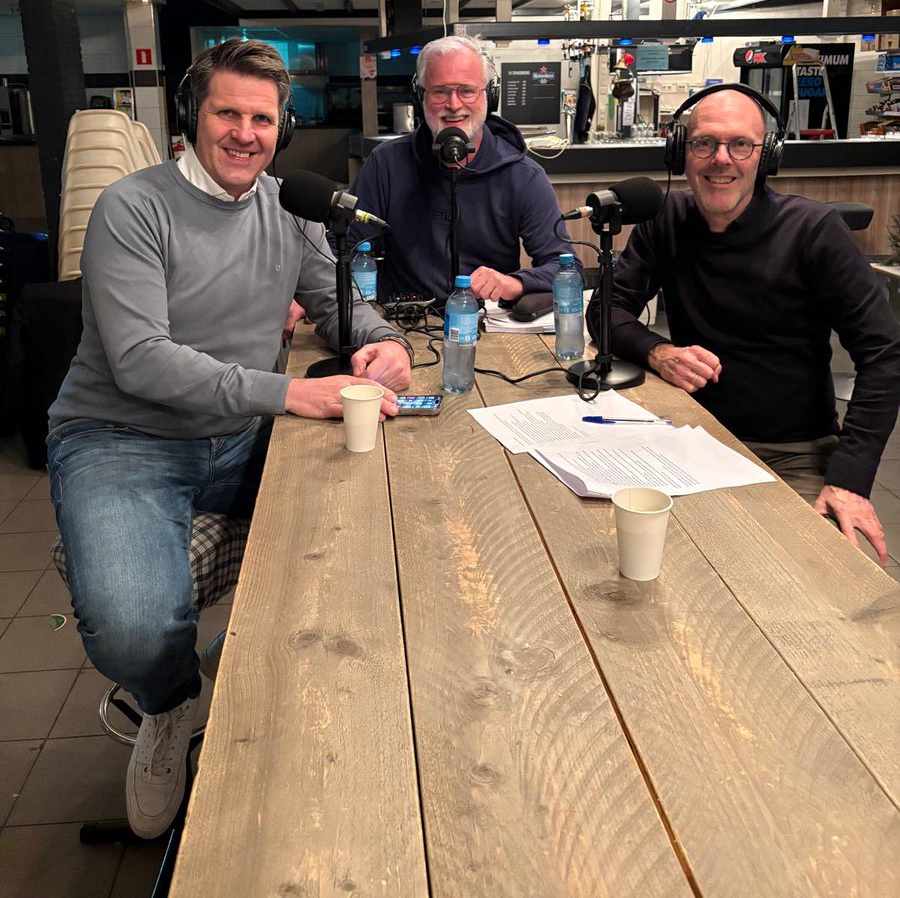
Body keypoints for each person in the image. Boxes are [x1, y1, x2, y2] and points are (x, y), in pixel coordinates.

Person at [47, 38, 412, 839]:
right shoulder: (132, 208)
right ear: (192, 116)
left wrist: (386, 342)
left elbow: (335, 301)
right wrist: (289, 393)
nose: (246, 134)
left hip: (241, 437)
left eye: (262, 119)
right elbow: (141, 360)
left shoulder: (288, 206)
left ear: (283, 128)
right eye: (228, 114)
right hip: (123, 439)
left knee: (382, 529)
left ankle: (266, 674)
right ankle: (170, 701)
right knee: (134, 628)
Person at [595, 84, 900, 564]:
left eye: (740, 144)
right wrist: (658, 351)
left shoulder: (813, 231)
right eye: (705, 143)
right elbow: (605, 310)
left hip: (794, 452)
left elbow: (884, 354)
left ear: (766, 155)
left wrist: (849, 479)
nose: (722, 159)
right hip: (689, 435)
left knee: (813, 582)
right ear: (681, 151)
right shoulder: (665, 219)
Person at [349, 34, 576, 305]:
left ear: (490, 96)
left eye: (467, 91)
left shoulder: (523, 176)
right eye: (440, 91)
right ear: (419, 97)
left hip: (487, 320)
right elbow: (343, 248)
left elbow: (565, 267)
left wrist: (514, 283)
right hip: (403, 320)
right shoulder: (385, 164)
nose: (454, 105)